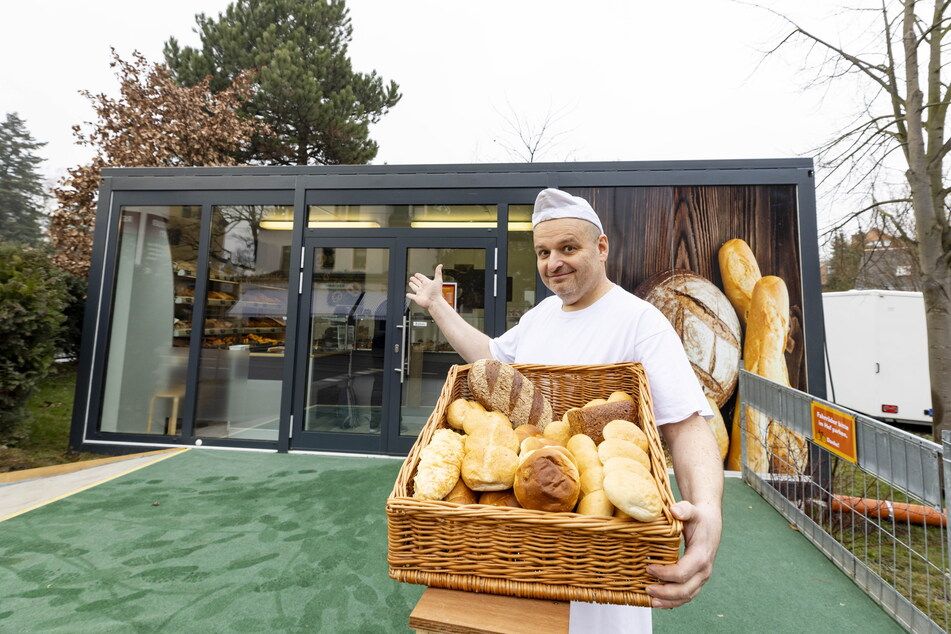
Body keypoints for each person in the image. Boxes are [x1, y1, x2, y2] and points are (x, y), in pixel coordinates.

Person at [406, 188, 723, 632]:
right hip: (529, 550)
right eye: (543, 252)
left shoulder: (640, 321)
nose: (553, 262)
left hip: (603, 560)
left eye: (568, 248)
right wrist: (438, 307)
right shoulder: (540, 316)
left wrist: (708, 509)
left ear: (602, 247)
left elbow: (686, 424)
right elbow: (489, 357)